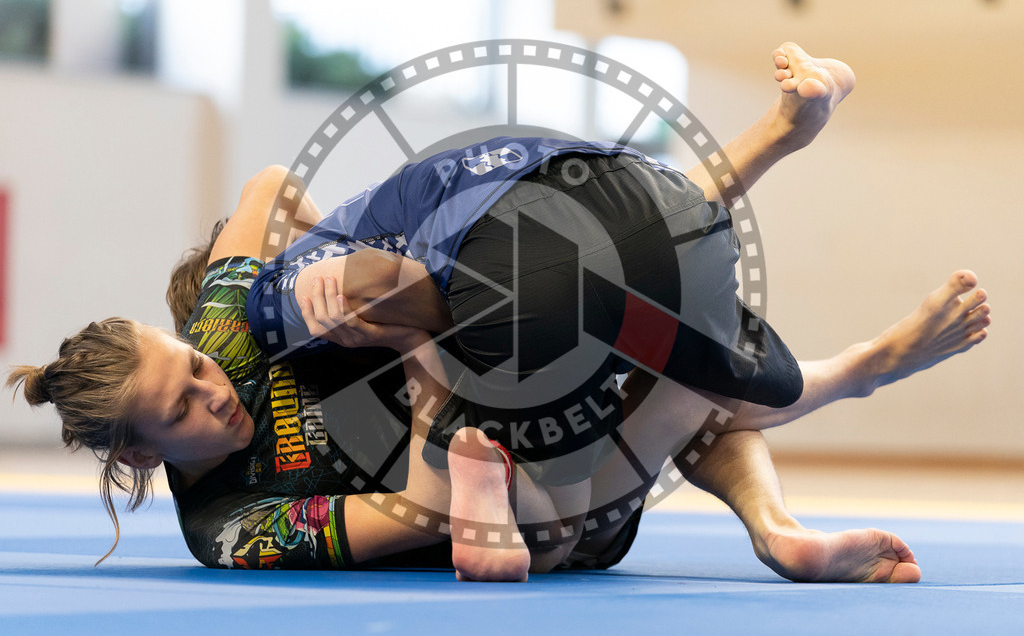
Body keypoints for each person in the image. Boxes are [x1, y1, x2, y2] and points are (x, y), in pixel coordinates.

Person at [6, 44, 989, 582]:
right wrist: (437, 391)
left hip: (496, 375)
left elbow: (263, 181)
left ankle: (779, 523)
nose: (214, 393)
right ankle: (849, 381)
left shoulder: (225, 338)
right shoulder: (229, 525)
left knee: (581, 272)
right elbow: (405, 517)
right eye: (179, 411)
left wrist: (314, 237)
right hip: (541, 511)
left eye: (193, 368)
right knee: (675, 389)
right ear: (136, 456)